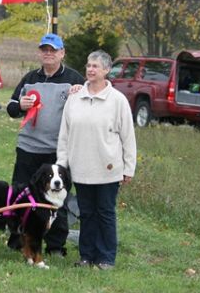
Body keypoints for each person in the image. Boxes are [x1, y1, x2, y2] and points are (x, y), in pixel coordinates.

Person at [6, 33, 85, 256]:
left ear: (62, 53)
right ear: (39, 53)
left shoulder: (75, 79)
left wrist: (80, 93)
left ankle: (55, 245)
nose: (48, 54)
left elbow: (89, 106)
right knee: (22, 195)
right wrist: (20, 105)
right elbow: (11, 108)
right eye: (44, 50)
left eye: (53, 50)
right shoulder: (30, 78)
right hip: (27, 148)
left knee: (57, 198)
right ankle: (18, 239)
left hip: (57, 151)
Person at [56, 50, 136, 270]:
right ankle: (86, 256)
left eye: (95, 66)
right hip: (80, 168)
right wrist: (62, 165)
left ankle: (106, 257)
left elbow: (128, 137)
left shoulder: (118, 100)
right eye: (88, 65)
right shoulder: (75, 98)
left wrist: (129, 167)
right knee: (87, 213)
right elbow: (65, 135)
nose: (90, 70)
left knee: (105, 213)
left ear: (107, 70)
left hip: (108, 168)